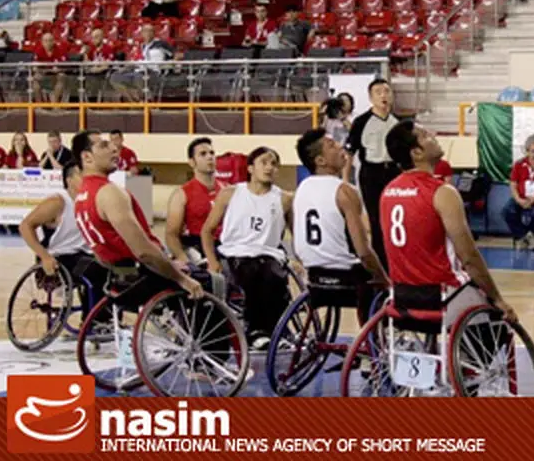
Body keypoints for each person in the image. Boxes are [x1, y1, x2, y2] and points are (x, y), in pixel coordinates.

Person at [382, 120, 516, 324]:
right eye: (425, 135)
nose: (433, 136)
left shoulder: (388, 192)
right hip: (441, 295)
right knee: (500, 322)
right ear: (416, 153)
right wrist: (497, 298)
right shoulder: (442, 192)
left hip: (401, 296)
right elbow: (468, 257)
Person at [72, 131, 204, 305]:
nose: (114, 149)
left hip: (117, 278)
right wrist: (181, 278)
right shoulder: (108, 193)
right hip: (140, 277)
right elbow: (144, 252)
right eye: (104, 145)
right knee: (212, 282)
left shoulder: (81, 197)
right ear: (87, 157)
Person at [200, 146, 293, 348]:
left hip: (268, 254)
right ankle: (255, 331)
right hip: (234, 253)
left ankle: (274, 331)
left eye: (274, 164)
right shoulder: (230, 194)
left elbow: (296, 233)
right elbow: (207, 231)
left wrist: (300, 261)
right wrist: (212, 261)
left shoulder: (284, 199)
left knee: (272, 274)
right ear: (250, 168)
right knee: (250, 272)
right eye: (264, 162)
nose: (269, 167)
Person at [293, 128, 388, 322]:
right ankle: (374, 336)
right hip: (347, 275)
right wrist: (384, 278)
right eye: (332, 145)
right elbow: (363, 252)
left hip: (314, 275)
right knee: (380, 281)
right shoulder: (345, 191)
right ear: (320, 161)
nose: (340, 146)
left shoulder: (302, 188)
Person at [18, 161, 107, 311]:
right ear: (69, 180)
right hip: (59, 257)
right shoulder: (58, 202)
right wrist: (45, 257)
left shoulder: (92, 201)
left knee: (114, 267)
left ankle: (107, 316)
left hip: (85, 255)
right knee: (96, 270)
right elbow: (25, 226)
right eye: (82, 174)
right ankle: (95, 318)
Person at [345, 78, 399, 267]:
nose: (384, 95)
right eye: (378, 92)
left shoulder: (397, 122)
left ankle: (397, 258)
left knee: (395, 217)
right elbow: (349, 153)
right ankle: (381, 263)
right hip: (371, 173)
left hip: (393, 172)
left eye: (387, 91)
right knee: (376, 219)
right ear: (370, 97)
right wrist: (345, 179)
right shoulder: (361, 122)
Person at [164, 137, 223, 265]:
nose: (210, 157)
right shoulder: (181, 195)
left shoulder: (226, 190)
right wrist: (184, 260)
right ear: (192, 162)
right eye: (203, 154)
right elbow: (171, 235)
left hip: (224, 246)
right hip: (197, 246)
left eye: (212, 153)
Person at [32, 32, 68, 103]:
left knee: (62, 76)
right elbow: (34, 67)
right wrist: (38, 70)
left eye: (50, 40)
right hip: (43, 73)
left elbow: (66, 67)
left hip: (56, 74)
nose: (48, 43)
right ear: (42, 42)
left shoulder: (60, 50)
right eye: (45, 41)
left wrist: (59, 69)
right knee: (35, 78)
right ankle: (39, 104)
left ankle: (54, 103)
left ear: (54, 41)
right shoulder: (38, 50)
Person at [81, 27, 115, 101]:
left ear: (102, 37)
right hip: (91, 73)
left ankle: (95, 104)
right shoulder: (91, 48)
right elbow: (86, 62)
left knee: (93, 82)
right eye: (92, 37)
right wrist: (83, 53)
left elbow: (107, 65)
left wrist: (96, 69)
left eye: (96, 37)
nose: (93, 39)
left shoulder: (108, 48)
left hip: (103, 74)